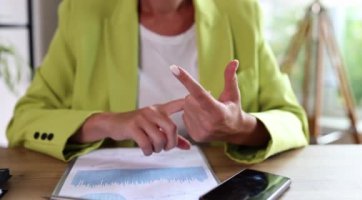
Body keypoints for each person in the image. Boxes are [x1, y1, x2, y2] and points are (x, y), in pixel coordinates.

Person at [6, 0, 309, 163]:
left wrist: (240, 127)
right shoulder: (83, 10)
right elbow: (24, 121)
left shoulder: (239, 9)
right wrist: (107, 122)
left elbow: (292, 120)